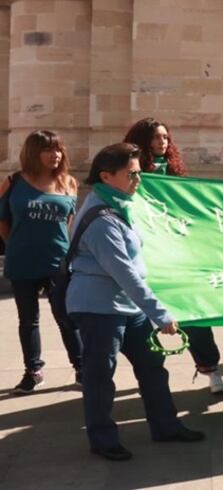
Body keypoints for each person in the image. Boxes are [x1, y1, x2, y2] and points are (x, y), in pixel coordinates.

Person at [67, 143, 204, 461]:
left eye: (139, 172)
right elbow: (125, 273)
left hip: (128, 306)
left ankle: (166, 426)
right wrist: (160, 313)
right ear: (106, 176)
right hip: (99, 308)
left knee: (153, 368)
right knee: (101, 375)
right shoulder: (101, 219)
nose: (139, 180)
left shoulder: (121, 204)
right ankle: (102, 439)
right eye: (132, 174)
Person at [123, 118, 223, 395]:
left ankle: (211, 369)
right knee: (145, 320)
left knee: (194, 313)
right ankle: (151, 376)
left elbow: (196, 202)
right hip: (146, 256)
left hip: (177, 255)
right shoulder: (131, 174)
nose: (162, 142)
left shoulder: (175, 174)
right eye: (156, 138)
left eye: (166, 138)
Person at [0, 130, 82, 394]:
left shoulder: (69, 183)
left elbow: (67, 223)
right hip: (22, 259)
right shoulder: (13, 181)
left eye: (58, 149)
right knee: (28, 320)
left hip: (57, 261)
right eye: (48, 149)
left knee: (66, 316)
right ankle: (33, 371)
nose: (55, 155)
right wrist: (14, 243)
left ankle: (82, 368)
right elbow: (2, 220)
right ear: (33, 153)